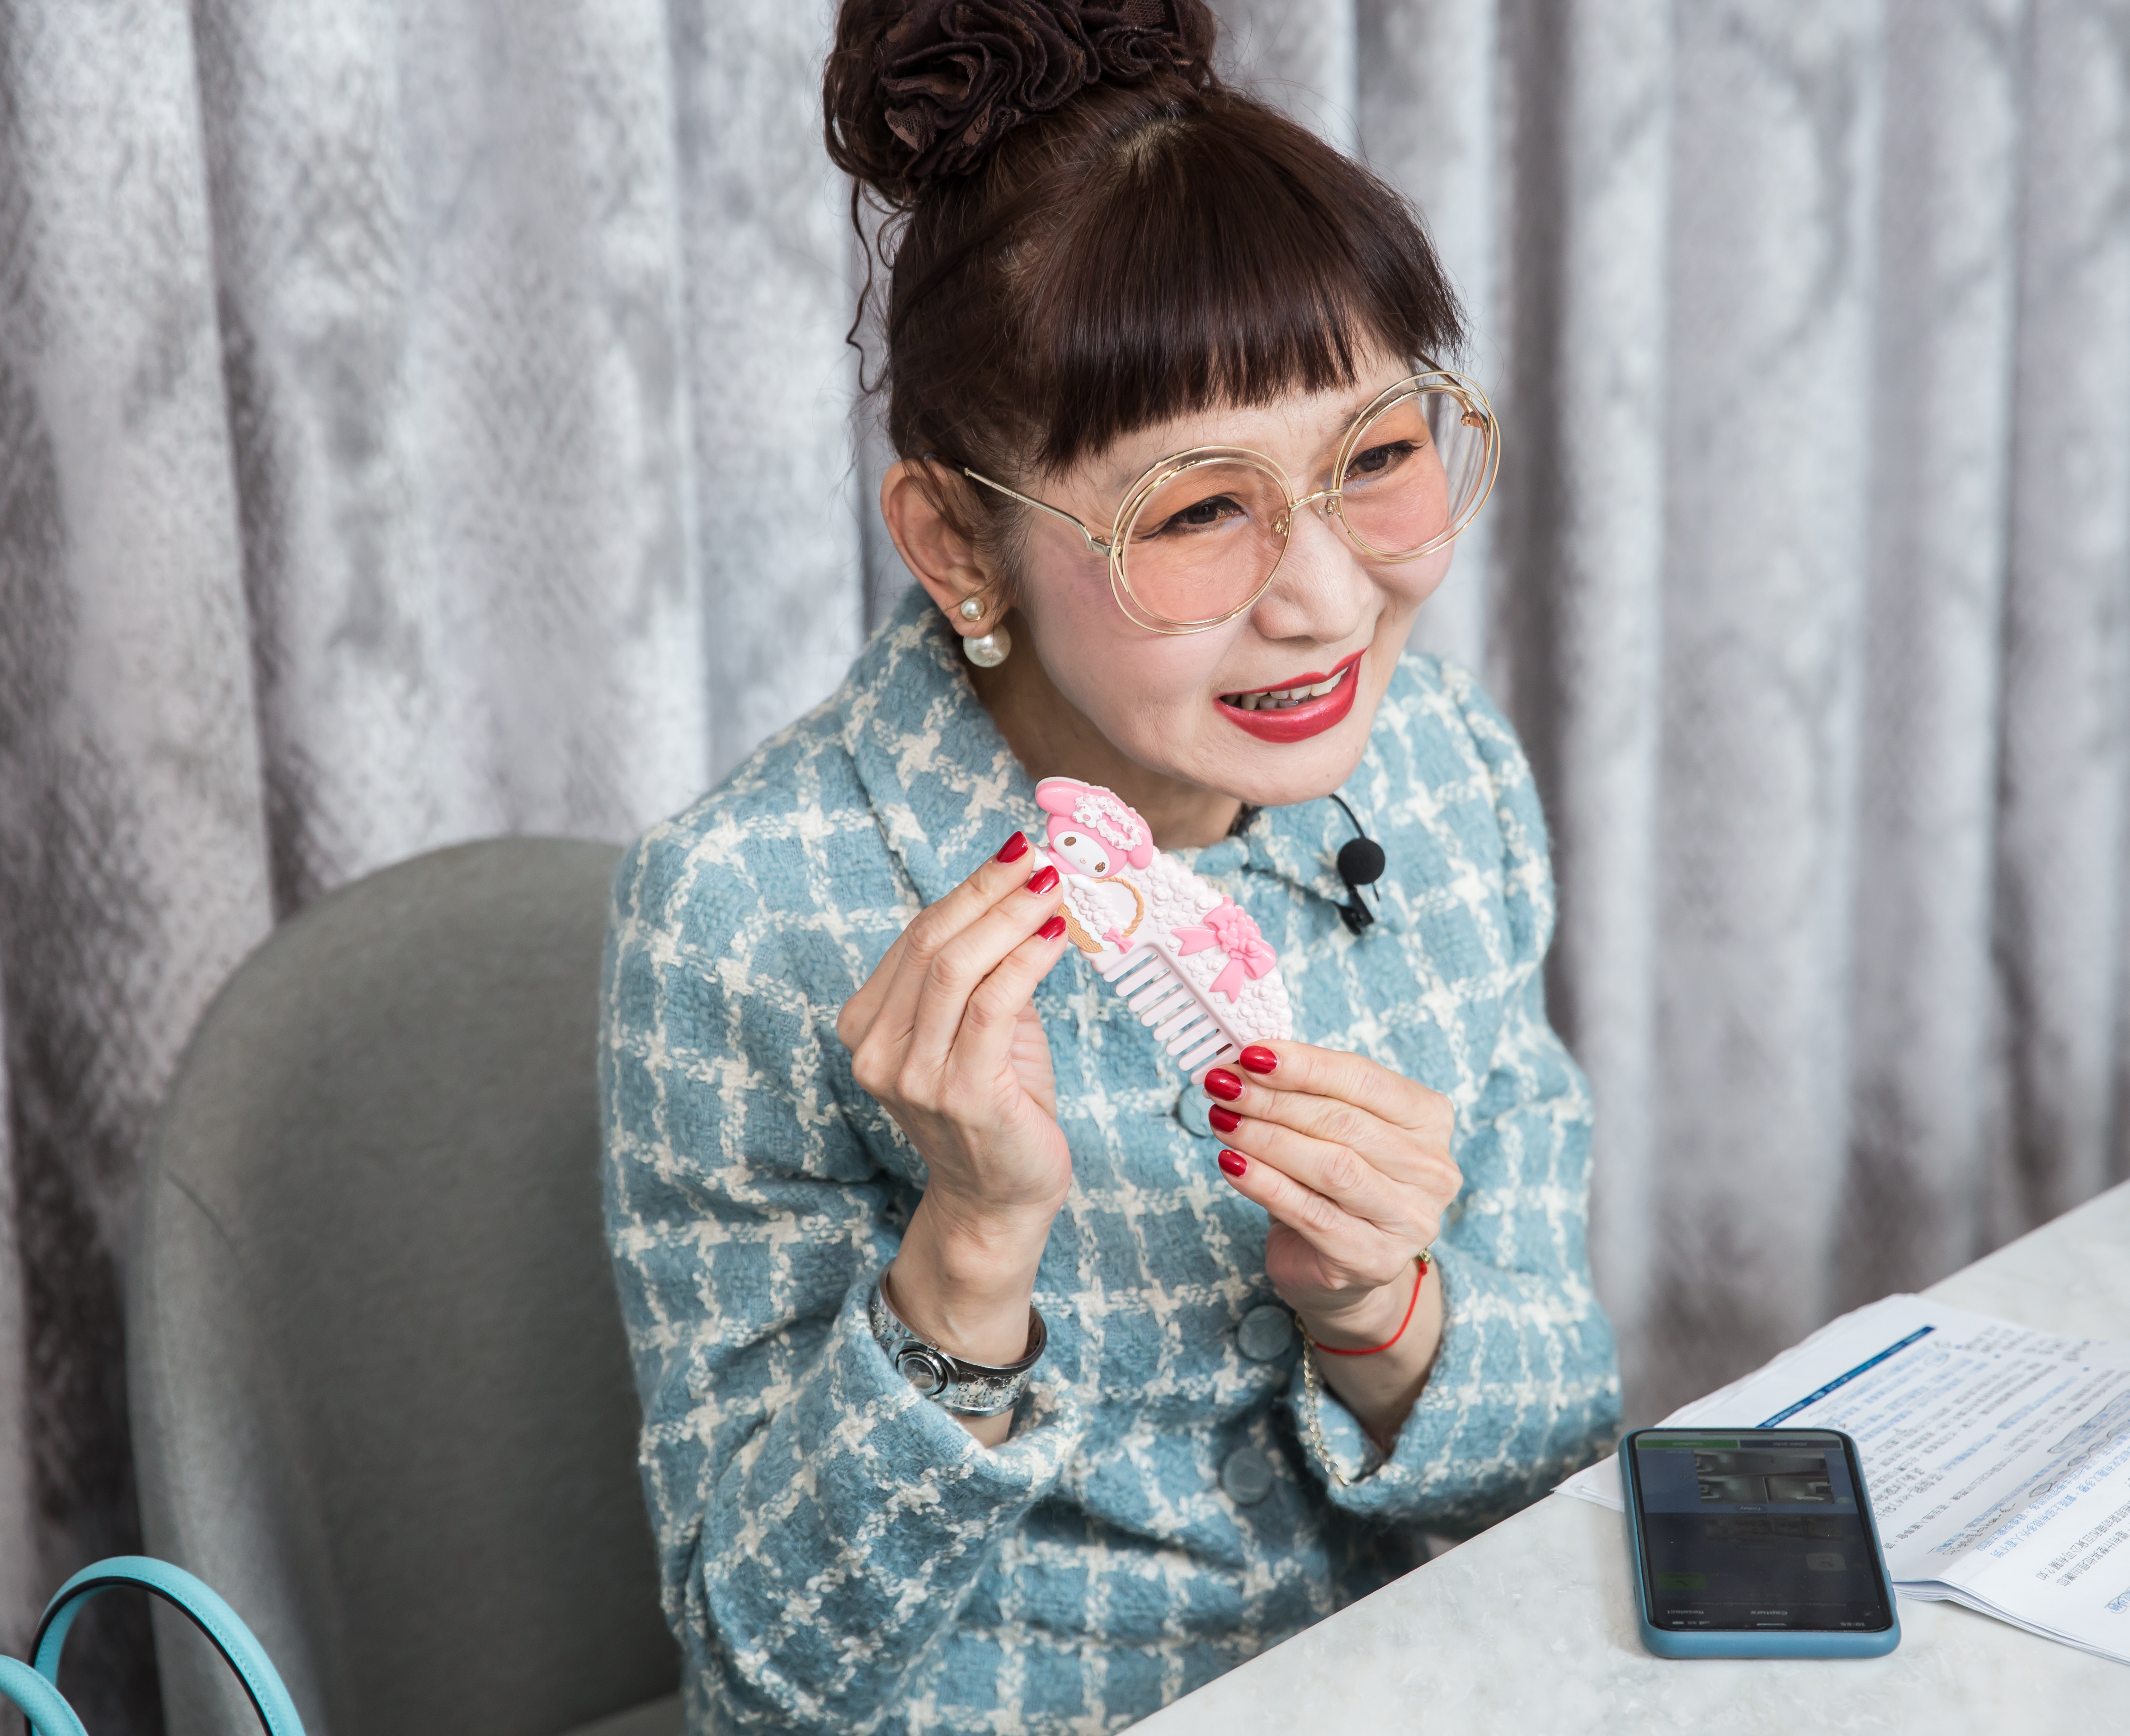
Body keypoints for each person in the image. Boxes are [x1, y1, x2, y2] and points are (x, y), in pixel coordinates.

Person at [598, 2, 1620, 1729]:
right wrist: (973, 1253)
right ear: (953, 541)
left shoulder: (1442, 780)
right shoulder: (746, 918)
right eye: (1198, 512)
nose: (1325, 600)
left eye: (1377, 459)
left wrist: (1388, 1313)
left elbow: (1570, 1447)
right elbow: (769, 1675)